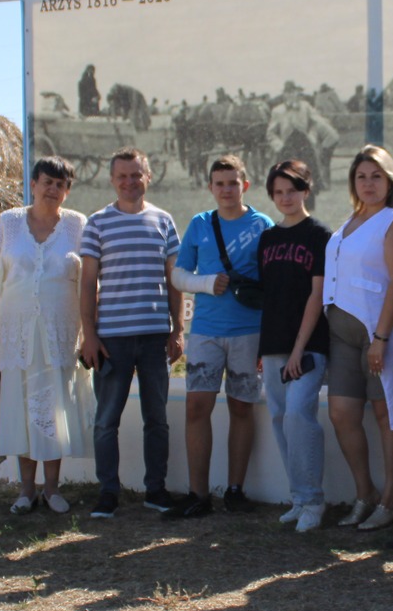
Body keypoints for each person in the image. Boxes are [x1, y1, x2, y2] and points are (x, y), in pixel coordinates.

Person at [0, 157, 91, 516]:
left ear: (67, 190)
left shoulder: (77, 224)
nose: (53, 189)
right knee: (21, 407)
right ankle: (26, 491)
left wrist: (91, 331)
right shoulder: (9, 222)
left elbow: (89, 283)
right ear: (33, 183)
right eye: (47, 181)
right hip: (15, 331)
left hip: (60, 331)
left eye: (61, 184)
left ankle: (52, 489)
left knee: (53, 407)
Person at [78, 148, 183, 519]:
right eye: (122, 176)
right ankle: (108, 493)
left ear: (148, 177)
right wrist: (89, 336)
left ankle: (156, 489)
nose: (129, 182)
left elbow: (174, 281)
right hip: (111, 340)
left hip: (155, 336)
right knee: (107, 420)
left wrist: (178, 329)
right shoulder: (97, 223)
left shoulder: (164, 221)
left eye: (136, 175)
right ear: (112, 180)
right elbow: (88, 283)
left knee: (157, 418)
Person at [321, 145, 393, 533]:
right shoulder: (349, 221)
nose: (368, 183)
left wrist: (380, 337)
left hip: (382, 334)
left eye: (376, 176)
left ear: (390, 179)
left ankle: (392, 500)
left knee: (387, 415)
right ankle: (365, 494)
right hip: (342, 336)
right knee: (342, 413)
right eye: (361, 176)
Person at [171, 155, 272, 517]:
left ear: (245, 185)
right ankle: (198, 495)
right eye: (219, 183)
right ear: (210, 187)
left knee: (241, 409)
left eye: (233, 183)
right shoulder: (199, 224)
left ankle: (235, 490)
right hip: (206, 333)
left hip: (249, 332)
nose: (226, 190)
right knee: (197, 408)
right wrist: (205, 283)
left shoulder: (263, 224)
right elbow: (179, 276)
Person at [255, 160, 331, 533]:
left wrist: (299, 349)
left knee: (300, 417)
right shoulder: (268, 238)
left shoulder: (320, 234)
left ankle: (314, 501)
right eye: (278, 192)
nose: (285, 198)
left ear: (306, 190)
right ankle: (298, 497)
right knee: (280, 420)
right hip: (272, 344)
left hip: (309, 345)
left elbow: (317, 296)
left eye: (292, 190)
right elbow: (270, 296)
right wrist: (263, 349)